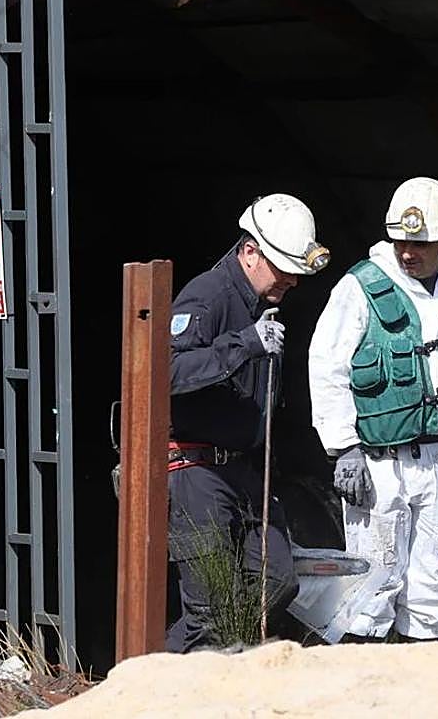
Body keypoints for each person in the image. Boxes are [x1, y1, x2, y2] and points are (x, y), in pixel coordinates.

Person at [308, 177, 438, 641]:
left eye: (421, 243)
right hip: (378, 464)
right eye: (401, 241)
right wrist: (343, 449)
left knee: (433, 589)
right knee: (371, 587)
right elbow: (327, 365)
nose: (408, 252)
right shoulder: (360, 286)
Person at [166, 193, 331, 652]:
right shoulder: (209, 295)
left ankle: (177, 664)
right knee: (211, 612)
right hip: (197, 470)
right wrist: (243, 345)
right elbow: (167, 372)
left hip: (245, 471)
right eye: (283, 267)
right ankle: (154, 683)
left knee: (276, 582)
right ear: (251, 251)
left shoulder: (262, 302)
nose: (292, 280)